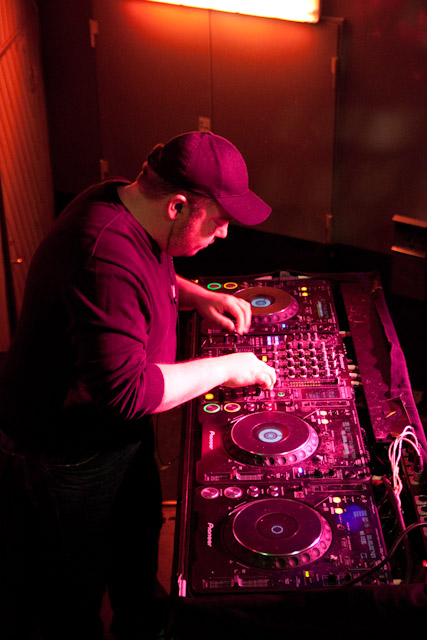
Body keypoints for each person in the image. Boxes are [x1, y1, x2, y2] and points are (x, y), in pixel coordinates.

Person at [0, 131, 276, 639]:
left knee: (136, 541)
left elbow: (146, 276)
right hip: (67, 452)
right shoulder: (101, 254)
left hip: (111, 437)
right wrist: (227, 368)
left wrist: (196, 296)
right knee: (73, 591)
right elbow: (128, 391)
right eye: (218, 220)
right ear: (178, 206)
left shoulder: (118, 199)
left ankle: (142, 624)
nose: (223, 234)